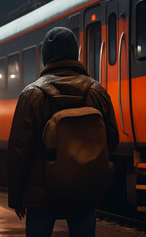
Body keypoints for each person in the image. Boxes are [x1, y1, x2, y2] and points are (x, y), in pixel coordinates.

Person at [7, 27, 119, 237]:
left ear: (45, 56)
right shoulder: (96, 91)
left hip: (41, 196)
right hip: (83, 192)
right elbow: (112, 139)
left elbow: (18, 151)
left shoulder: (31, 94)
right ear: (75, 53)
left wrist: (17, 198)